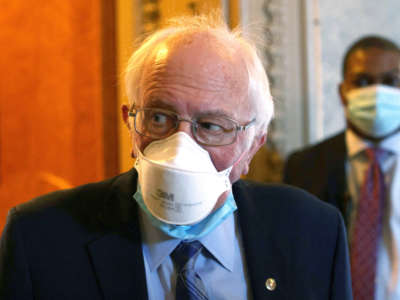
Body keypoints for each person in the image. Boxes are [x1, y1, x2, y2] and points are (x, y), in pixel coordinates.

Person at [0, 12, 352, 299]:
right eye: (159, 118)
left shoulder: (312, 232)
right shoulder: (41, 240)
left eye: (211, 125)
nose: (181, 145)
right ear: (130, 124)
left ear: (253, 145)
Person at [284, 35, 400, 300]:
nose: (377, 92)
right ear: (342, 92)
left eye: (391, 82)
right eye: (362, 82)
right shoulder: (304, 166)